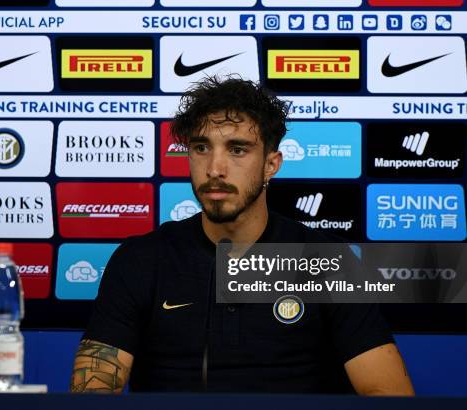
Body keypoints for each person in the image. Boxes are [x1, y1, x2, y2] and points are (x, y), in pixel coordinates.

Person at [70, 76, 415, 395]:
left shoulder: (327, 262)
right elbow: (92, 394)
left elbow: (389, 396)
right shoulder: (140, 259)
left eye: (237, 150)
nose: (215, 169)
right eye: (201, 148)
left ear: (271, 164)